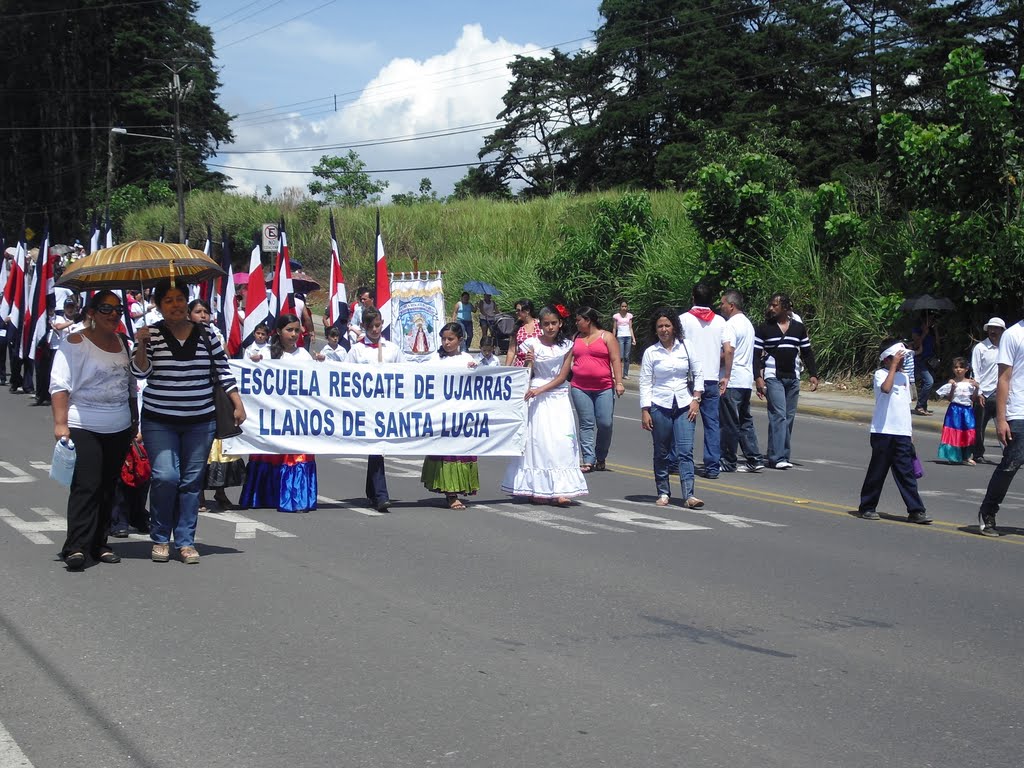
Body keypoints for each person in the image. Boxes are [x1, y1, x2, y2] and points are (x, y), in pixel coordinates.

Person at [132, 280, 246, 564]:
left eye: (180, 298)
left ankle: (184, 541)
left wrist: (237, 403)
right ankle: (160, 537)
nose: (175, 304)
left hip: (200, 421)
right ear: (158, 305)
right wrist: (141, 345)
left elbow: (223, 370)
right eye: (168, 300)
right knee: (165, 476)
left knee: (191, 481)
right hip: (160, 420)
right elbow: (139, 372)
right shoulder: (152, 334)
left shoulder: (207, 333)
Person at [49, 291, 137, 570]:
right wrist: (60, 424)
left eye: (117, 309)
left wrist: (143, 347)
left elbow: (135, 381)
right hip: (83, 424)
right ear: (91, 312)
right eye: (105, 309)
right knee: (87, 485)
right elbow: (59, 385)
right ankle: (75, 546)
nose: (113, 314)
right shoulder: (75, 341)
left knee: (109, 487)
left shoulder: (125, 342)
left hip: (119, 425)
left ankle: (100, 543)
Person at [501, 305, 587, 505]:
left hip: (556, 395)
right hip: (536, 394)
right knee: (539, 442)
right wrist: (528, 362)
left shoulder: (566, 345)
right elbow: (527, 373)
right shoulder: (531, 343)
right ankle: (537, 488)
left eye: (554, 323)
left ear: (560, 324)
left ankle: (561, 489)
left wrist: (541, 390)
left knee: (561, 441)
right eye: (546, 324)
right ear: (540, 325)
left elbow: (563, 376)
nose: (550, 327)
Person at [239, 314, 318, 513]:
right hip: (271, 416)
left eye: (297, 331)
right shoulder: (266, 354)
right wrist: (254, 364)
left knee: (295, 454)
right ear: (278, 332)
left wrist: (322, 366)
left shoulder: (304, 355)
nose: (293, 334)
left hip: (296, 418)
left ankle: (295, 497)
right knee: (269, 453)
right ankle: (264, 495)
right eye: (289, 330)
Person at [858, 340, 932, 524]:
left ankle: (916, 510)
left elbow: (905, 407)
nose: (902, 361)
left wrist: (909, 432)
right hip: (882, 431)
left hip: (901, 433)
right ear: (887, 359)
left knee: (905, 473)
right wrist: (892, 368)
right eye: (898, 358)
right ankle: (867, 506)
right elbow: (885, 388)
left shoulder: (904, 377)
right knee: (878, 471)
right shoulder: (880, 374)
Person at [639, 309, 705, 509]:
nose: (664, 329)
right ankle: (663, 492)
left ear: (674, 326)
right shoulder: (651, 352)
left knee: (685, 451)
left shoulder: (685, 347)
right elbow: (645, 383)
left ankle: (690, 495)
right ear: (655, 329)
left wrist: (696, 399)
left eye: (667, 325)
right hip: (660, 406)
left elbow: (698, 372)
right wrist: (645, 410)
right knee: (662, 451)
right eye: (660, 326)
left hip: (685, 405)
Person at [187, 300, 246, 513]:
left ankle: (220, 492)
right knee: (200, 446)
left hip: (216, 395)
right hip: (194, 398)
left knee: (220, 445)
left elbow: (224, 366)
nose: (202, 315)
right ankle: (199, 494)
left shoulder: (216, 336)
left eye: (206, 311)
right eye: (197, 312)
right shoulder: (185, 336)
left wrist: (236, 403)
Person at [347, 306, 404, 512]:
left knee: (378, 448)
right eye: (370, 326)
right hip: (365, 406)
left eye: (378, 325)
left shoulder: (392, 348)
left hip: (387, 406)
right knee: (376, 448)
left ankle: (374, 492)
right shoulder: (356, 350)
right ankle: (380, 495)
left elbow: (405, 375)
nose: (375, 330)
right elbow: (345, 376)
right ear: (363, 326)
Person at [754, 292, 819, 469]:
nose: (771, 308)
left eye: (775, 305)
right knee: (779, 415)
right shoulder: (764, 328)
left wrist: (813, 374)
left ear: (785, 307)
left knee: (788, 417)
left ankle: (782, 453)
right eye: (770, 305)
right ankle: (777, 457)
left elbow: (806, 352)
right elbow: (756, 355)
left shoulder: (798, 328)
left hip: (793, 377)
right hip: (773, 376)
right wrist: (758, 378)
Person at [421, 323, 480, 509]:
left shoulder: (467, 359)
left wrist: (475, 369)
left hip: (462, 415)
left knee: (460, 452)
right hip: (442, 415)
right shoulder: (434, 360)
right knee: (446, 452)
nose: (446, 343)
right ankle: (450, 494)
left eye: (450, 339)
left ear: (460, 340)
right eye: (444, 339)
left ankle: (458, 488)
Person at [976, 318, 1024, 537]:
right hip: (1019, 411)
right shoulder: (1013, 335)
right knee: (1009, 465)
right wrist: (1002, 419)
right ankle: (988, 512)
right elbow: (1003, 379)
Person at [680, 283, 727, 478]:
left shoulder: (682, 320)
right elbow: (728, 350)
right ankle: (712, 466)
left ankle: (681, 462)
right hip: (711, 378)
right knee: (712, 424)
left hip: (689, 379)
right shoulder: (720, 322)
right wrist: (725, 373)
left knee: (684, 422)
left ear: (693, 298)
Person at [570, 306, 624, 473]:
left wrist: (619, 382)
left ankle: (601, 456)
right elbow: (568, 359)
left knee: (605, 423)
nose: (576, 323)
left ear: (588, 320)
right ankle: (588, 459)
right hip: (579, 387)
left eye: (579, 320)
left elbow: (615, 360)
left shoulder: (606, 337)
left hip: (604, 387)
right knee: (586, 424)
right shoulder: (576, 337)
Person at [718, 290, 765, 472]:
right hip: (745, 380)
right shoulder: (748, 324)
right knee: (745, 420)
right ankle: (754, 458)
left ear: (731, 305)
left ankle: (728, 460)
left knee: (729, 422)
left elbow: (729, 351)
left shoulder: (730, 325)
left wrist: (726, 375)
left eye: (722, 303)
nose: (720, 307)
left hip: (734, 379)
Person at [971, 318, 1005, 463]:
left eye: (996, 329)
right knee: (979, 426)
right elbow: (975, 371)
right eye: (991, 328)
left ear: (1002, 331)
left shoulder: (1006, 347)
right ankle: (978, 454)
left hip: (1001, 393)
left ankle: (1010, 453)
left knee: (1005, 426)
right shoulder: (980, 348)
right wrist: (978, 392)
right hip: (984, 393)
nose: (993, 331)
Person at [935, 357, 979, 465]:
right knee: (953, 432)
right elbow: (949, 399)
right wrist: (953, 388)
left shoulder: (971, 383)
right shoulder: (952, 383)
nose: (958, 370)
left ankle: (966, 456)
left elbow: (973, 399)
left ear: (966, 369)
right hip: (954, 409)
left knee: (967, 432)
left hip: (967, 410)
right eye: (956, 367)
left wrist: (977, 388)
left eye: (961, 367)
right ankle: (952, 456)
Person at [912, 311, 940, 415]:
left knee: (926, 383)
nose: (932, 321)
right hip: (921, 360)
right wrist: (924, 333)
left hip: (930, 360)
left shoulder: (932, 330)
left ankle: (923, 407)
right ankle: (920, 405)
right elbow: (916, 344)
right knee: (929, 381)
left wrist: (935, 330)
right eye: (930, 319)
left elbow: (937, 343)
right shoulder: (917, 330)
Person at [505, 299, 541, 366]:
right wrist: (506, 369)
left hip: (538, 364)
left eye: (519, 310)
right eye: (516, 310)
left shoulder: (540, 325)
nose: (516, 313)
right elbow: (511, 350)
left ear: (527, 311)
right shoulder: (517, 328)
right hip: (521, 366)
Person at [612, 300, 636, 379]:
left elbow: (630, 328)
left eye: (625, 306)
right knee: (620, 356)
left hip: (628, 336)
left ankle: (625, 374)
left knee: (626, 357)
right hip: (620, 337)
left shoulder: (629, 316)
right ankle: (616, 373)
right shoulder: (616, 316)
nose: (624, 308)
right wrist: (612, 338)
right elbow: (615, 328)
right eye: (622, 306)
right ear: (620, 307)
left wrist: (633, 338)